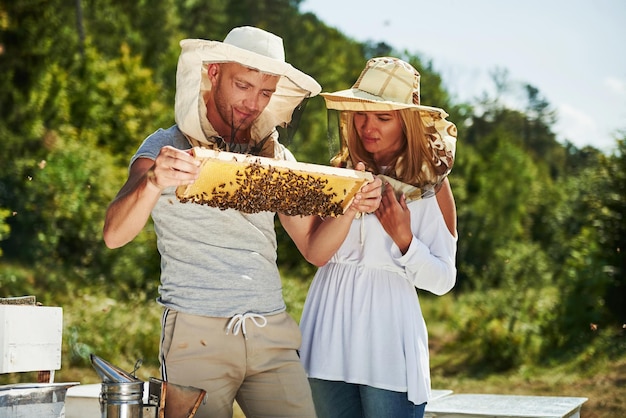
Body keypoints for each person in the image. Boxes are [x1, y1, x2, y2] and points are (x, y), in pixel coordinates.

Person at [103, 26, 381, 418]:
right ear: (213, 72)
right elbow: (114, 234)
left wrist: (352, 208)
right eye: (243, 85)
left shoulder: (277, 157)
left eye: (265, 92)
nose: (253, 102)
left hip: (272, 333)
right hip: (196, 335)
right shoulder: (167, 146)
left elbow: (314, 249)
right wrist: (153, 181)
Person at [299, 57, 459, 418]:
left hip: (387, 334)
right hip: (327, 325)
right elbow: (317, 247)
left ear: (407, 122)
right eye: (361, 114)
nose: (367, 126)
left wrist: (405, 239)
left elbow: (444, 279)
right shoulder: (339, 170)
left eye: (382, 117)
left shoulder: (431, 184)